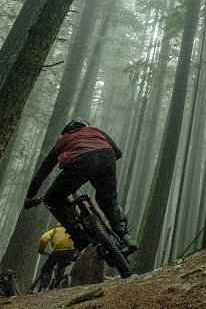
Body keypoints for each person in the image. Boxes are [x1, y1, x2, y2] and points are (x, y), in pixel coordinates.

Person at [24, 119, 137, 254]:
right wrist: (100, 168)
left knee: (52, 199)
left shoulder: (62, 140)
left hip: (78, 162)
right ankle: (125, 236)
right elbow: (118, 152)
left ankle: (79, 236)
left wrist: (30, 197)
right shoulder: (96, 131)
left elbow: (43, 171)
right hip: (107, 156)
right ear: (85, 126)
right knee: (109, 198)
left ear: (66, 131)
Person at [36, 223, 76, 290]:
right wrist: (77, 255)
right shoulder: (73, 230)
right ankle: (57, 284)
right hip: (71, 251)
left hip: (58, 250)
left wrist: (41, 250)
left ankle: (44, 286)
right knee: (61, 265)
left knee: (45, 269)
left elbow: (44, 239)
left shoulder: (56, 230)